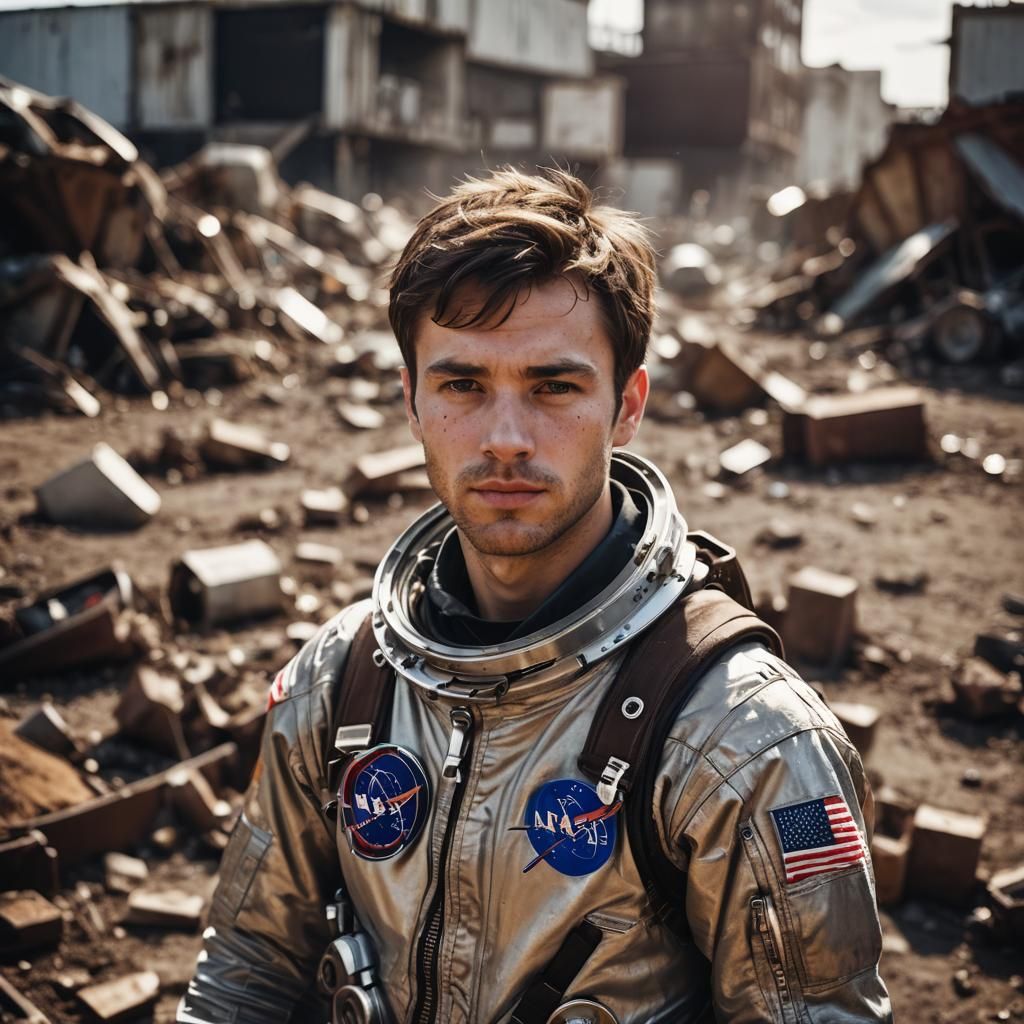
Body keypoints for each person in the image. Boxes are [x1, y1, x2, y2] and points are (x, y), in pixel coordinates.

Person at [178, 169, 892, 1024]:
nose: (506, 439)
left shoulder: (750, 743)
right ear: (411, 400)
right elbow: (246, 969)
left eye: (553, 386)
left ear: (626, 405)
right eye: (462, 385)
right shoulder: (341, 681)